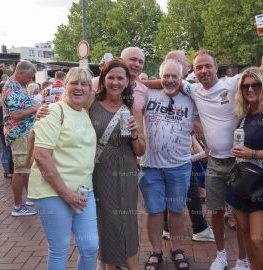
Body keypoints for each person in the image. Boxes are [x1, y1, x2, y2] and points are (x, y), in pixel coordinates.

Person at [182, 19, 263, 270]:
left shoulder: (233, 83)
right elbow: (165, 82)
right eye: (198, 67)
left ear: (216, 67)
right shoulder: (193, 89)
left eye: (207, 66)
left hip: (240, 162)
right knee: (215, 211)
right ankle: (221, 254)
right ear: (194, 71)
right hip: (214, 162)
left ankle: (243, 260)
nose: (203, 70)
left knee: (240, 214)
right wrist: (134, 83)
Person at [28, 67, 99, 270]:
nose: (79, 88)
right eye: (73, 83)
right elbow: (41, 156)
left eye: (84, 84)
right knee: (60, 249)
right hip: (52, 192)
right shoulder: (52, 111)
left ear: (90, 89)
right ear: (64, 86)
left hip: (84, 191)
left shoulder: (84, 111)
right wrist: (65, 193)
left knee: (90, 246)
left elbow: (115, 83)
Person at [139, 59, 197, 270]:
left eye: (175, 76)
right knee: (153, 211)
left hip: (179, 165)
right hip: (150, 165)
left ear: (181, 78)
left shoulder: (191, 97)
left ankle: (177, 248)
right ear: (160, 76)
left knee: (176, 209)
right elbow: (134, 83)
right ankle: (155, 251)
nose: (170, 80)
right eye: (166, 76)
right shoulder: (148, 93)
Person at [90, 60, 145, 269]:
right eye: (111, 77)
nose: (115, 82)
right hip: (101, 171)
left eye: (120, 78)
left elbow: (141, 150)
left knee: (127, 223)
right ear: (103, 79)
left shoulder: (133, 107)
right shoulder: (91, 104)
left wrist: (133, 134)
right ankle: (109, 265)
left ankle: (131, 263)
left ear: (127, 81)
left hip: (127, 172)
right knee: (106, 222)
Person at [228, 67, 263, 270]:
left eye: (255, 85)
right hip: (242, 185)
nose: (250, 89)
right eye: (245, 86)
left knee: (259, 241)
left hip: (262, 186)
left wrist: (252, 154)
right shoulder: (244, 115)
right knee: (245, 236)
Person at [160, 50, 215, 243]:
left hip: (177, 149)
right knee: (189, 187)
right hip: (179, 151)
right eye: (185, 62)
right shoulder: (182, 88)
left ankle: (170, 228)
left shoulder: (181, 88)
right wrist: (208, 144)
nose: (189, 66)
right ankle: (197, 227)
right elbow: (194, 124)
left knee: (183, 187)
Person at [2, 60, 40, 216]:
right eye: (29, 77)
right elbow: (16, 114)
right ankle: (18, 206)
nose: (30, 80)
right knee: (20, 170)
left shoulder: (17, 86)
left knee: (25, 167)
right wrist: (35, 108)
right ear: (20, 72)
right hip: (19, 134)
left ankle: (29, 199)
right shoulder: (11, 88)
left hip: (23, 133)